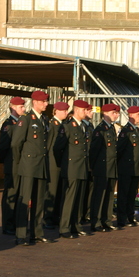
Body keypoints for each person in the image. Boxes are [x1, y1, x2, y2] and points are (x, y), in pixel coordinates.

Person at [12, 90, 54, 245]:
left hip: (41, 165)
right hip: (28, 165)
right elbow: (16, 143)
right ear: (35, 102)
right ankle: (21, 234)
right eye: (43, 101)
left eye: (46, 101)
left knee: (39, 201)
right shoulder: (26, 119)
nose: (46, 104)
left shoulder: (44, 119)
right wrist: (20, 162)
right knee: (25, 199)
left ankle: (36, 232)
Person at [53, 100, 91, 238]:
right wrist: (63, 164)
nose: (85, 112)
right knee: (69, 199)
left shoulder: (83, 126)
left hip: (82, 167)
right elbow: (58, 148)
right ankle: (64, 228)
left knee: (78, 199)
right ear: (76, 110)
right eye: (83, 110)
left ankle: (76, 225)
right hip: (71, 167)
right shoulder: (67, 126)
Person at [89, 103, 120, 232]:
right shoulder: (100, 129)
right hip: (102, 167)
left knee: (109, 195)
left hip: (111, 166)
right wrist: (93, 168)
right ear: (105, 113)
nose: (116, 115)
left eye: (117, 113)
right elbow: (94, 150)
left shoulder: (111, 128)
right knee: (99, 195)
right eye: (114, 113)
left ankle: (106, 220)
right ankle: (95, 222)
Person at [0, 96, 26, 236]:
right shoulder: (8, 125)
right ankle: (8, 224)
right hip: (11, 164)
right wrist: (7, 162)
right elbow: (3, 147)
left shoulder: (20, 123)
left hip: (19, 164)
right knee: (10, 194)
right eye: (21, 107)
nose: (24, 109)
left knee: (18, 194)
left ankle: (15, 223)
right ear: (13, 108)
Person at [116, 105, 139, 227]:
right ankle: (122, 219)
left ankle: (130, 216)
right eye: (138, 114)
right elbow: (119, 150)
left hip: (135, 167)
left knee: (132, 193)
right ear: (131, 115)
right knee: (124, 193)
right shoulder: (125, 131)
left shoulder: (136, 130)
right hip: (126, 167)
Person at [44, 101, 70, 229]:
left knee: (59, 191)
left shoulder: (63, 125)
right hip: (53, 163)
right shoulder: (52, 125)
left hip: (60, 163)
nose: (66, 112)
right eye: (64, 110)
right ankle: (47, 218)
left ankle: (55, 216)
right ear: (56, 111)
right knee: (51, 191)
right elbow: (49, 146)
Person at [79, 103, 95, 225]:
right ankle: (81, 215)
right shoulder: (81, 126)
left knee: (89, 190)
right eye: (89, 110)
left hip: (90, 163)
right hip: (82, 163)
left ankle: (87, 213)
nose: (92, 113)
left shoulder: (90, 126)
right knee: (82, 192)